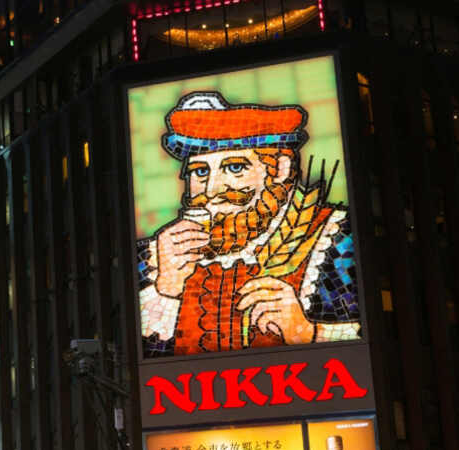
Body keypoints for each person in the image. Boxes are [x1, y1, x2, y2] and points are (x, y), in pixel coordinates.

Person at [136, 90, 358, 357]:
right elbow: (128, 370)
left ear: (279, 169)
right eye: (200, 171)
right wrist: (166, 291)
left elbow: (380, 339)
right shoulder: (153, 257)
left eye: (235, 167)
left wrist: (308, 331)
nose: (213, 188)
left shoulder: (337, 237)